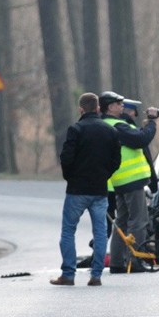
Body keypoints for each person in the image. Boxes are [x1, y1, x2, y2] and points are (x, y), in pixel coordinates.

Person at [51, 92, 121, 287]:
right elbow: (116, 160)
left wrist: (71, 177)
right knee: (100, 232)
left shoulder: (75, 130)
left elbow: (66, 158)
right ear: (98, 109)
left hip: (77, 190)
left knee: (68, 231)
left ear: (81, 109)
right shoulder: (110, 131)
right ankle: (96, 275)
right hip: (100, 190)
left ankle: (68, 274)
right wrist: (104, 175)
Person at [100, 90, 159, 273]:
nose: (122, 107)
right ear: (110, 107)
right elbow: (141, 139)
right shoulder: (117, 125)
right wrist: (151, 123)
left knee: (123, 220)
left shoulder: (108, 124)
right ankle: (136, 260)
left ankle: (117, 263)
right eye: (119, 104)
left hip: (120, 181)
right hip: (131, 180)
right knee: (139, 220)